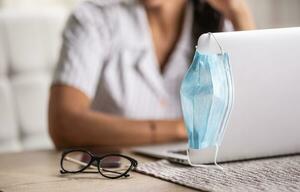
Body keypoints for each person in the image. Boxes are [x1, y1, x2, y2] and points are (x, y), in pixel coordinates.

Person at [49, 0, 255, 149]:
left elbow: (253, 115)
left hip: (194, 176)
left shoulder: (218, 23)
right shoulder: (93, 19)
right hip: (113, 177)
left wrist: (239, 13)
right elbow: (64, 124)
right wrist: (180, 129)